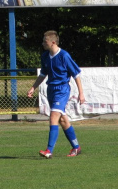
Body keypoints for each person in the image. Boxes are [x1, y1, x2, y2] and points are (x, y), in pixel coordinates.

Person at [27, 30, 85, 159]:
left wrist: (81, 93)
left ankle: (49, 150)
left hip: (62, 90)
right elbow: (43, 74)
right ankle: (76, 147)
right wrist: (33, 87)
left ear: (53, 42)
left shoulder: (64, 55)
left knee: (53, 116)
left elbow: (76, 74)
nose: (43, 43)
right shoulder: (45, 56)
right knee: (63, 120)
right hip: (51, 90)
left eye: (45, 41)